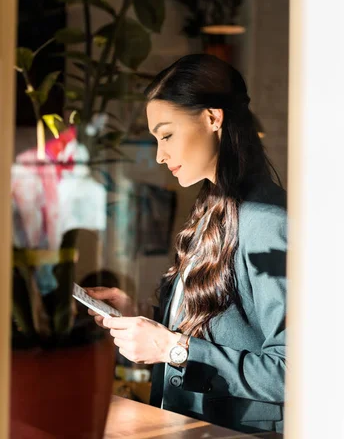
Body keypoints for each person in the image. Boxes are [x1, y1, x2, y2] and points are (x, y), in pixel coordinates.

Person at [86, 54, 287, 435]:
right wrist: (142, 319)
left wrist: (172, 349)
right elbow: (220, 329)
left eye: (166, 134)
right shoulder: (210, 213)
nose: (160, 155)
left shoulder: (267, 221)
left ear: (213, 118)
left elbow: (294, 372)